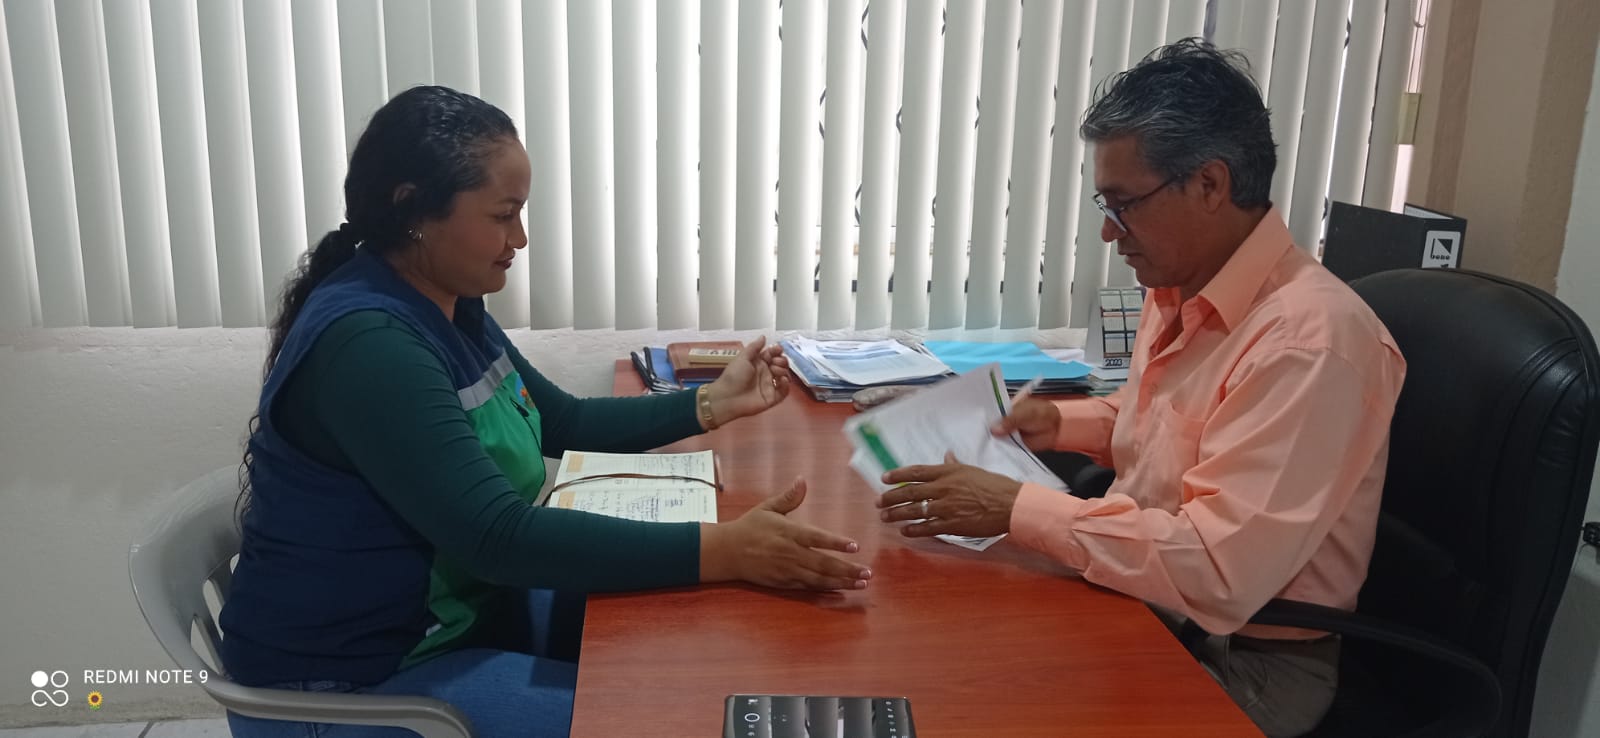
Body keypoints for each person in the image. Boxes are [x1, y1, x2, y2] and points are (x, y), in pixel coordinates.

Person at [220, 86, 870, 738]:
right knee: (671, 716)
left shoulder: (448, 303)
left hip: (459, 619)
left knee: (690, 649)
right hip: (353, 686)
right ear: (412, 208)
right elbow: (498, 539)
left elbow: (561, 421)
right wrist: (726, 549)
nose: (520, 239)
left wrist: (710, 403)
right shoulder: (372, 345)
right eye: (503, 216)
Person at [875, 40, 1405, 737]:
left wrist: (1013, 508)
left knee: (988, 706)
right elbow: (1168, 421)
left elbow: (1218, 570)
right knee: (938, 649)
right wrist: (1058, 423)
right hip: (1146, 596)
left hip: (1243, 659)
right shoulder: (1180, 284)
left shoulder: (1311, 343)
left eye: (1124, 204)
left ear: (1209, 185)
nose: (1107, 231)